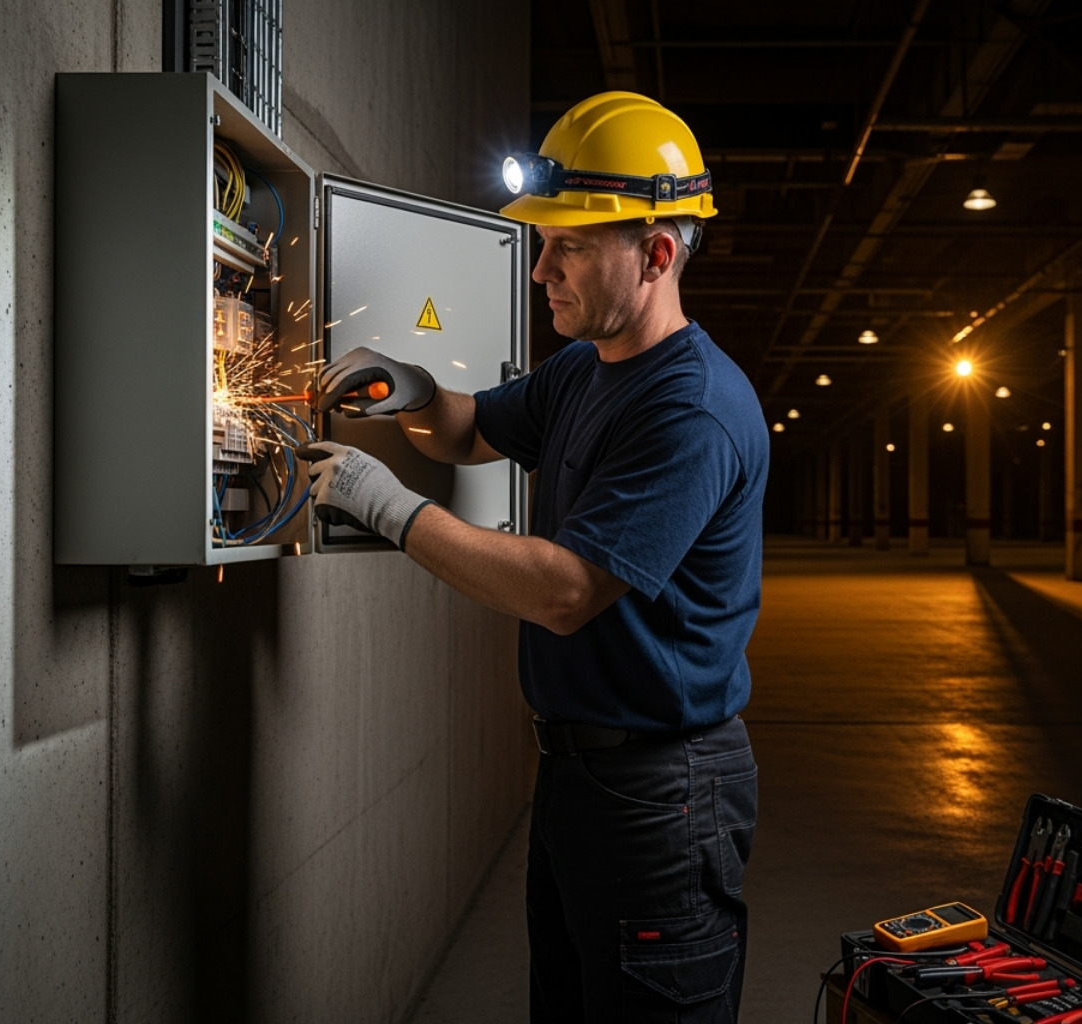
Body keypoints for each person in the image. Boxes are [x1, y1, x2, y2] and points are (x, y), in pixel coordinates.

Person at [297, 91, 768, 1023]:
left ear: (658, 253)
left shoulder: (691, 410)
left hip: (661, 793)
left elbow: (563, 592)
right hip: (577, 777)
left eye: (571, 247)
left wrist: (381, 504)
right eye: (543, 241)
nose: (541, 267)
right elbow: (471, 431)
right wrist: (412, 390)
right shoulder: (588, 366)